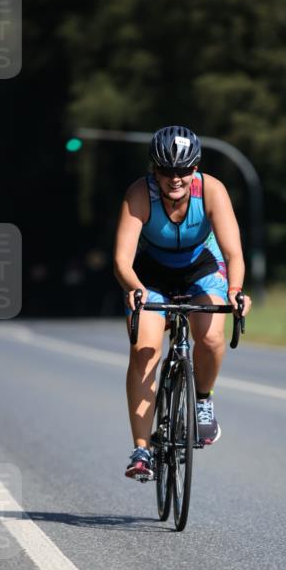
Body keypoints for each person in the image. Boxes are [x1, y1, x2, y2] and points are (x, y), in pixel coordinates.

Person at [114, 124, 252, 480]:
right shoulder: (139, 194)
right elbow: (122, 260)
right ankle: (141, 450)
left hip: (201, 267)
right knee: (144, 351)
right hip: (151, 274)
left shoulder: (212, 191)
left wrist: (236, 290)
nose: (175, 178)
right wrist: (134, 288)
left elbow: (234, 253)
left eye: (184, 170)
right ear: (154, 170)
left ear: (195, 168)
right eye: (166, 171)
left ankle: (203, 399)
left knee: (210, 337)